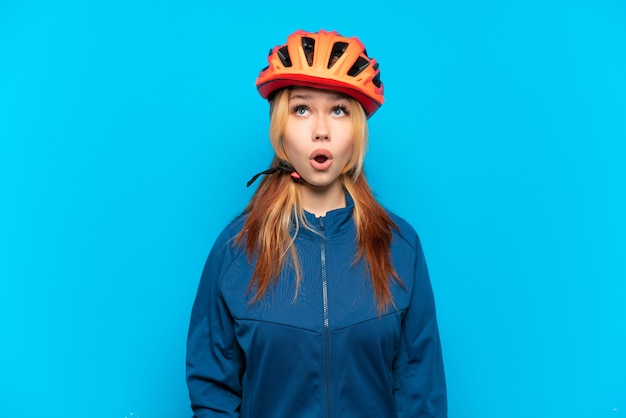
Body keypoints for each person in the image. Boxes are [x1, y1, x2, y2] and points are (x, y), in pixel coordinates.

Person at [186, 29, 447, 417]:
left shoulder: (400, 246)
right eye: (302, 109)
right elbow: (212, 390)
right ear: (280, 127)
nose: (320, 130)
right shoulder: (235, 250)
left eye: (339, 110)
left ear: (357, 128)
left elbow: (420, 391)